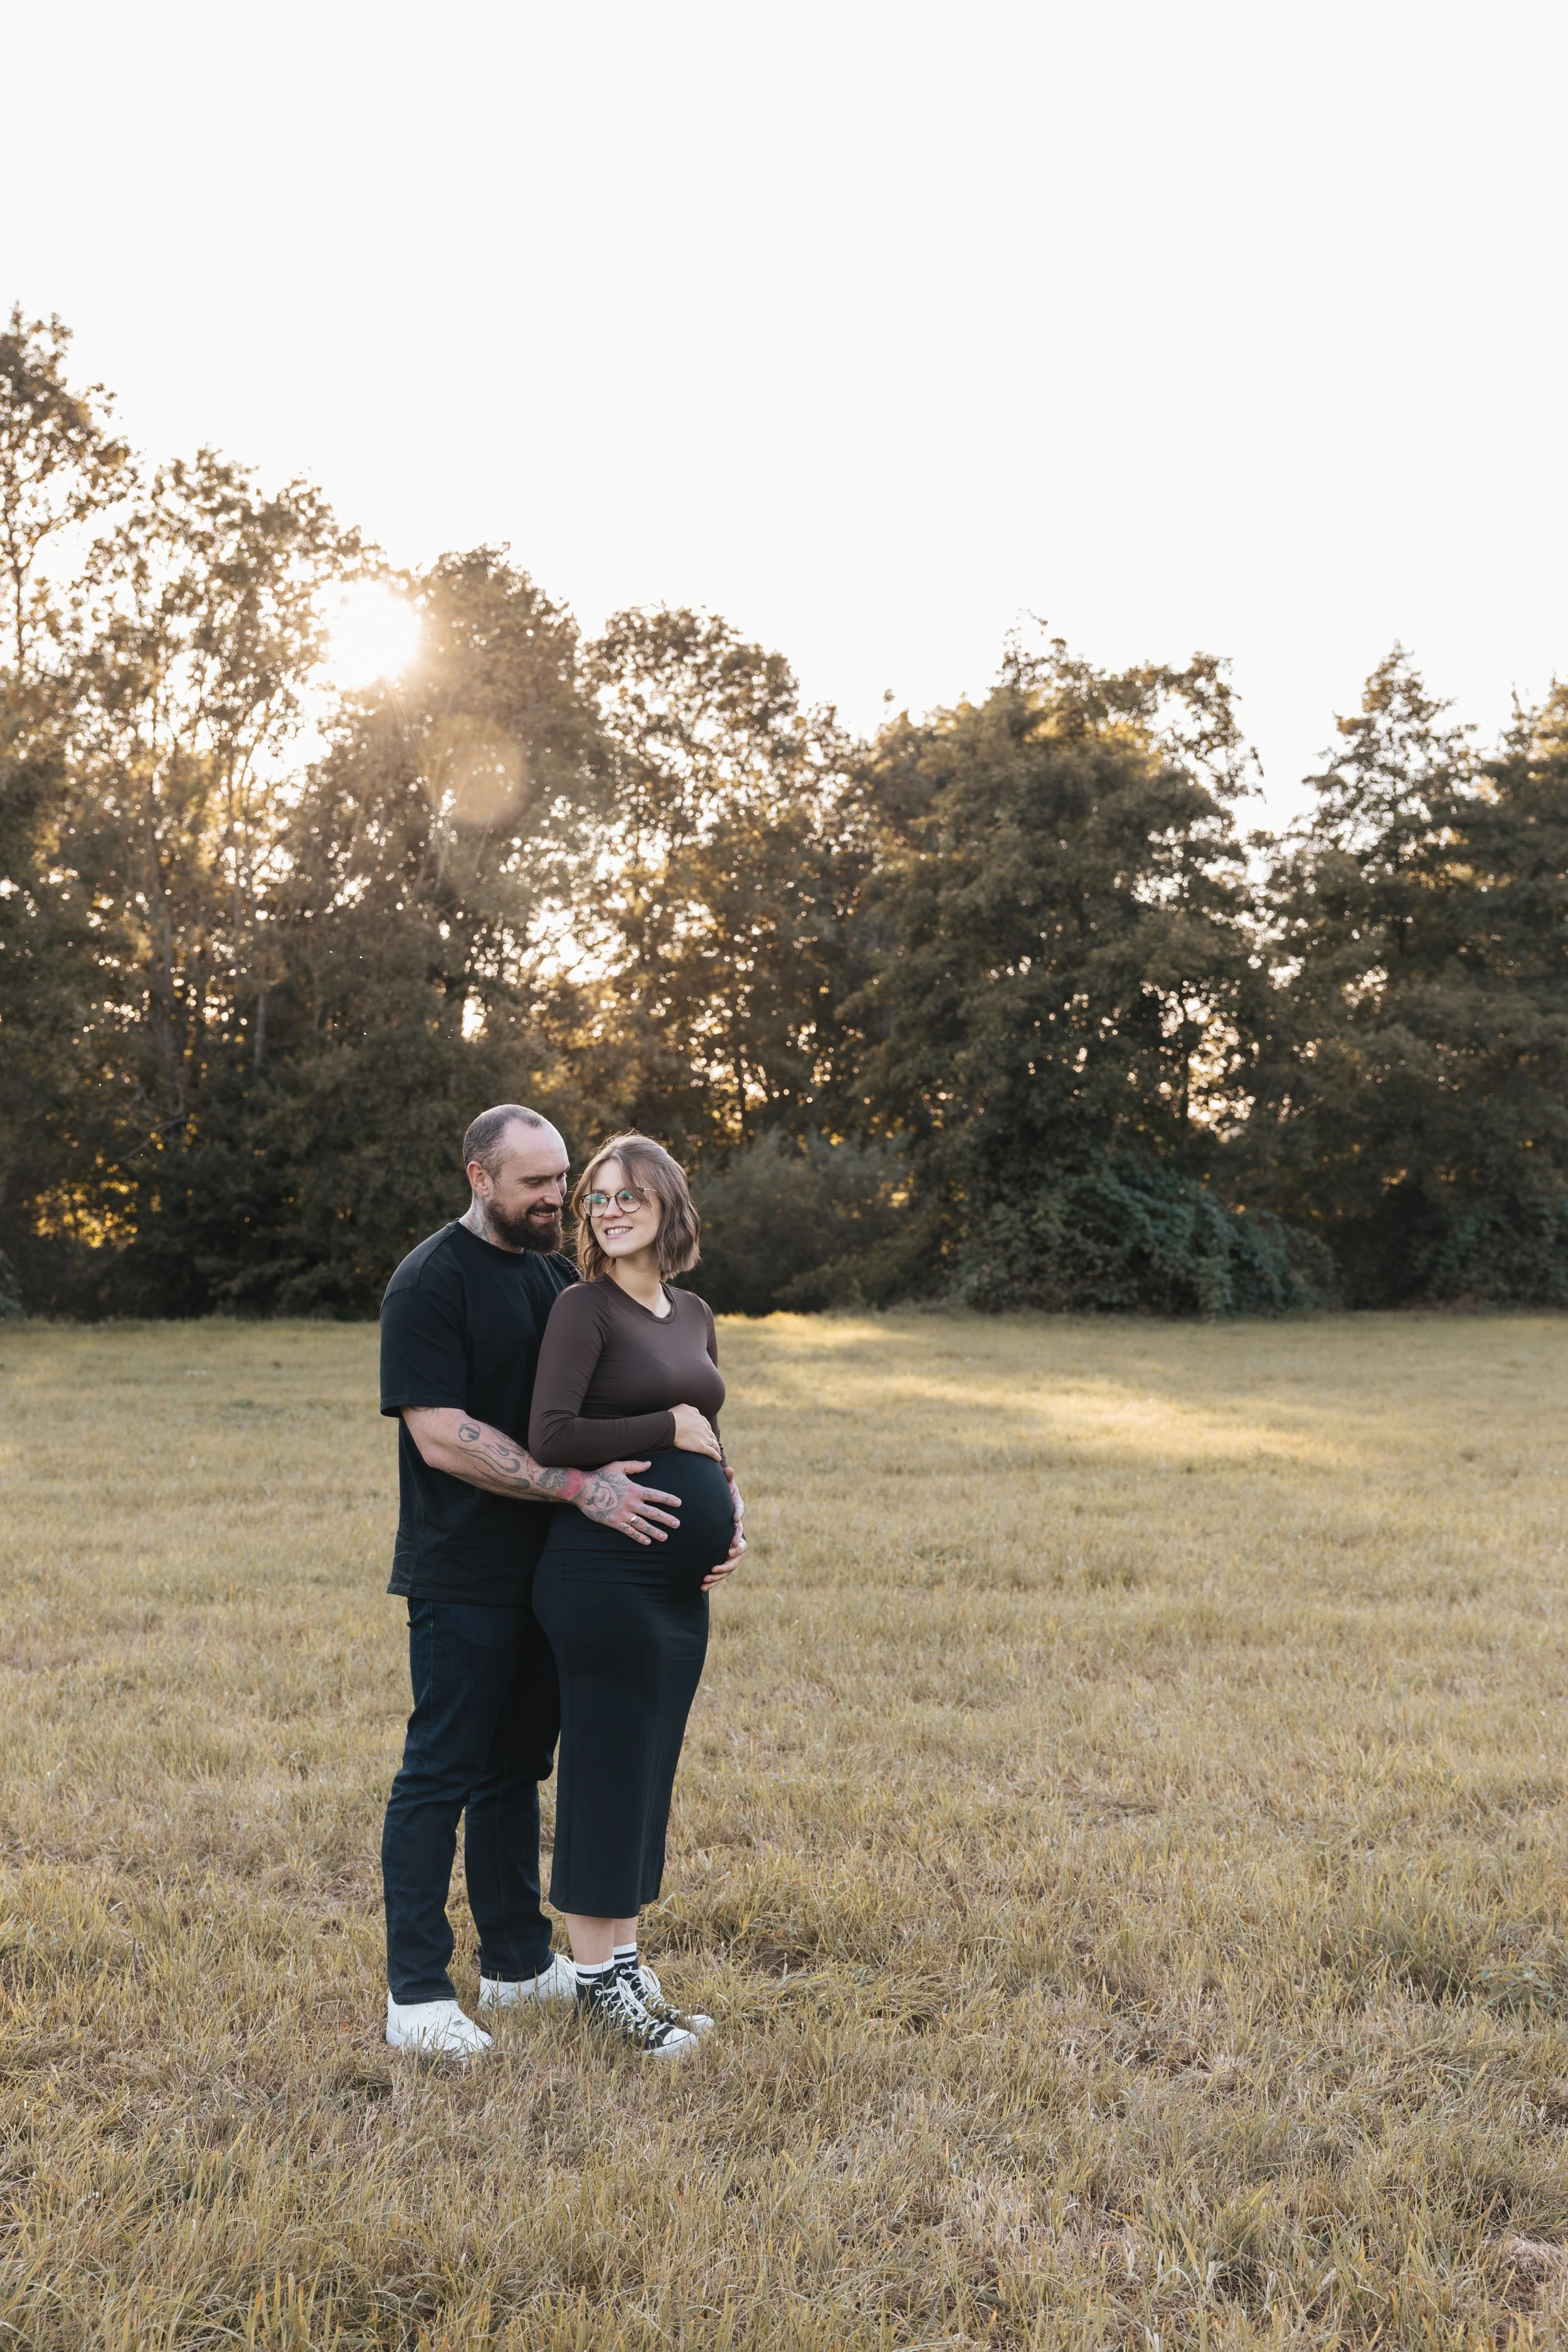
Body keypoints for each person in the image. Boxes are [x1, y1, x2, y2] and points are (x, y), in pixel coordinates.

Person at [378, 1104, 732, 2063]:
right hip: (463, 1566)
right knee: (441, 1769)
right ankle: (414, 1992)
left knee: (516, 1769)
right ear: (478, 1178)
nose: (557, 1197)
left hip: (549, 1568)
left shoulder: (551, 1275)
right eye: (535, 1181)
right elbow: (442, 1433)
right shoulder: (430, 1281)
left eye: (561, 1176)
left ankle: (517, 1961)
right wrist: (583, 1487)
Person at [529, 1131, 743, 2057]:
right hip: (600, 1573)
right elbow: (550, 1431)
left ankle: (625, 1963)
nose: (610, 1209)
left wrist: (732, 1510)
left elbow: (709, 1433)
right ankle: (593, 1982)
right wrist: (669, 1422)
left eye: (628, 1195)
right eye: (598, 1198)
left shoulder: (691, 1310)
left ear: (668, 1206)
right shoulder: (585, 1307)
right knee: (608, 1767)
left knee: (649, 1764)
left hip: (675, 1586)